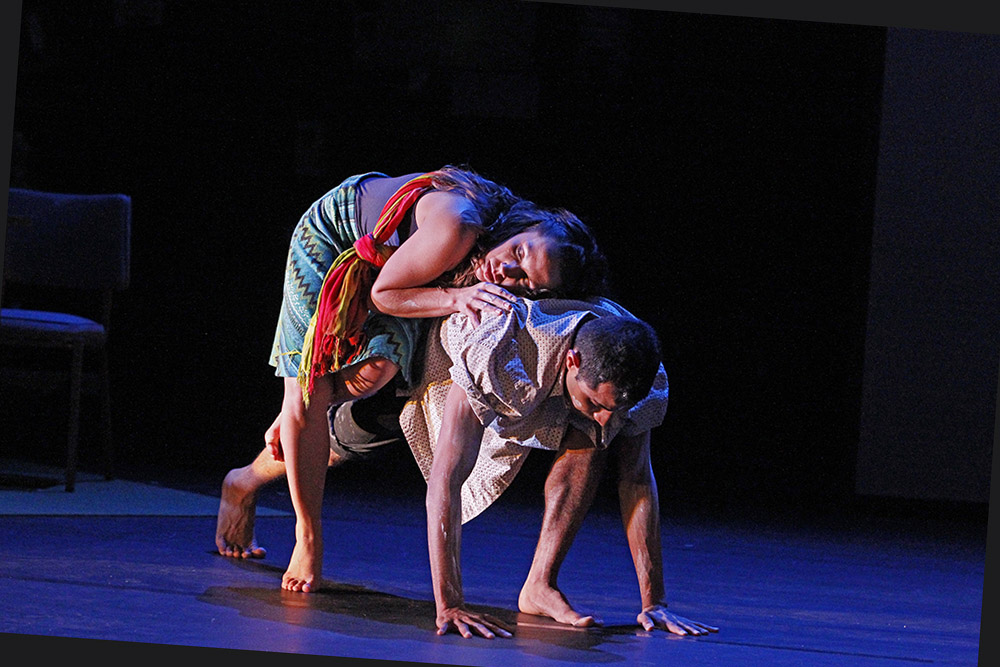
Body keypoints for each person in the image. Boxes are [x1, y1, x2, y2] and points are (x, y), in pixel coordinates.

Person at [216, 166, 608, 594]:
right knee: (310, 389)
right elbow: (383, 294)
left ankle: (261, 459)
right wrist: (455, 297)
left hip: (393, 264)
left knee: (374, 374)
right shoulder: (459, 226)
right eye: (518, 252)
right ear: (525, 225)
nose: (506, 272)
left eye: (525, 281)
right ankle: (306, 535)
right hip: (334, 240)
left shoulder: (500, 249)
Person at [400, 295, 719, 638]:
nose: (604, 418)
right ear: (572, 361)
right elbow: (445, 480)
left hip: (543, 393)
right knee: (362, 428)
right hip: (427, 369)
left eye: (614, 409)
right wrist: (449, 604)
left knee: (596, 438)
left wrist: (654, 602)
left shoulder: (641, 372)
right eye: (595, 403)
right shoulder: (497, 349)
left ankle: (539, 585)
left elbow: (637, 480)